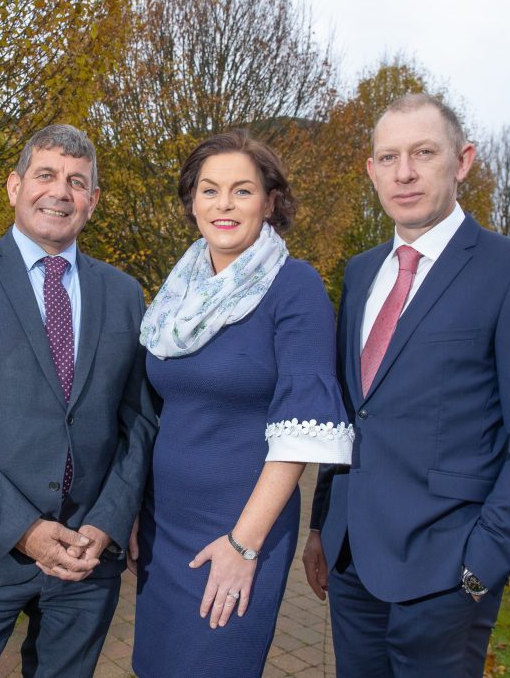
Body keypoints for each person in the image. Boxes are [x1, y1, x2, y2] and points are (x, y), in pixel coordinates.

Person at [302, 93, 510, 677]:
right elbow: (353, 414)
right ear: (371, 169)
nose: (404, 172)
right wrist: (322, 527)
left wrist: (485, 560)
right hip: (353, 564)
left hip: (445, 574)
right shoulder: (360, 272)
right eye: (388, 156)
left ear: (463, 161)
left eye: (423, 152)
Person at [0, 124, 158, 677]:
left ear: (92, 201)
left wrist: (110, 521)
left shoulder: (123, 293)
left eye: (76, 181)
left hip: (84, 558)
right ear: (14, 186)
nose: (60, 191)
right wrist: (23, 530)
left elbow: (138, 420)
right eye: (45, 175)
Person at [131, 131, 353, 676]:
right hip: (163, 525)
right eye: (209, 190)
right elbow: (156, 413)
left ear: (270, 202)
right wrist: (132, 510)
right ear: (192, 202)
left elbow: (302, 430)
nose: (223, 205)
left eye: (241, 191)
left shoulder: (293, 286)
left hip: (237, 530)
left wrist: (243, 546)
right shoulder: (177, 292)